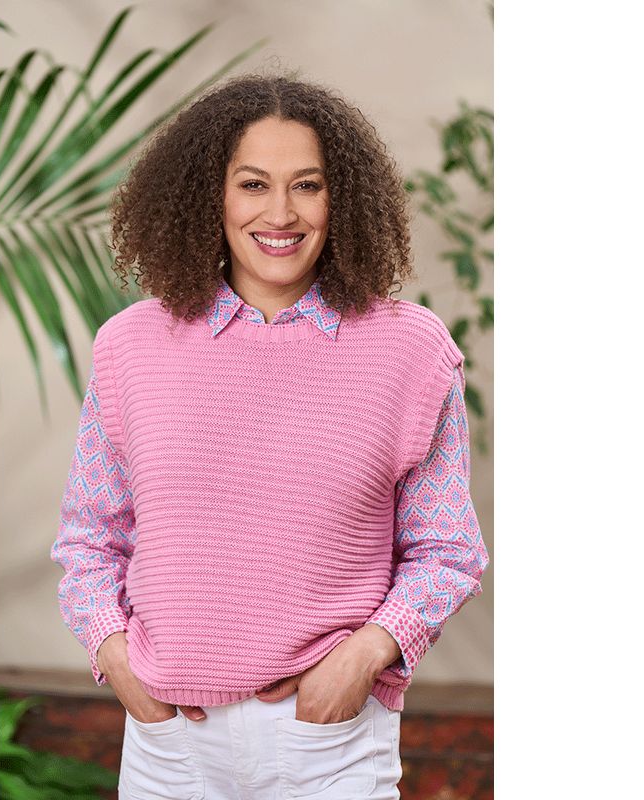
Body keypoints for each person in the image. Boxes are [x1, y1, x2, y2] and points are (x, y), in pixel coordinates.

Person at [51, 72, 489, 800]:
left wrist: (366, 656)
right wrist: (116, 657)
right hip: (169, 745)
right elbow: (90, 536)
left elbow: (447, 551)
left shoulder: (410, 350)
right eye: (252, 184)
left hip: (328, 741)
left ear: (341, 199)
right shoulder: (130, 346)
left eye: (307, 186)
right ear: (209, 197)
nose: (280, 213)